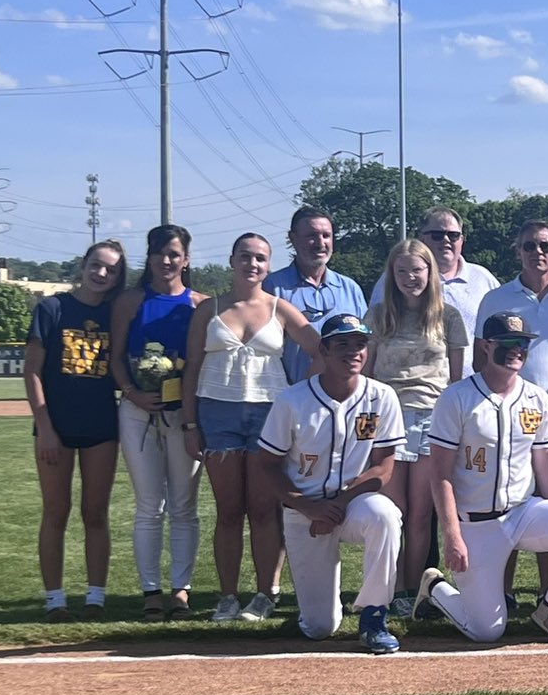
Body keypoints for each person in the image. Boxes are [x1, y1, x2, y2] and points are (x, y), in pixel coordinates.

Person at [412, 311, 548, 645]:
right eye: (508, 342)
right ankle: (436, 588)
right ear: (486, 346)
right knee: (487, 630)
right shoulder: (456, 397)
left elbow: (546, 465)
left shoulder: (536, 397)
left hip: (523, 512)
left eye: (523, 343)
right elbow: (439, 473)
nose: (517, 349)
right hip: (476, 523)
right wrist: (452, 536)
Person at [180, 233, 321, 623]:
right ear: (232, 260)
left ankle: (264, 594)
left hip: (268, 417)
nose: (252, 264)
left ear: (268, 265)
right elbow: (191, 369)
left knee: (263, 510)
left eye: (260, 258)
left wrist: (300, 395)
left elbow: (322, 350)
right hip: (217, 415)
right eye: (245, 256)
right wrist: (190, 424)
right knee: (228, 511)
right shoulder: (207, 309)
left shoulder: (280, 308)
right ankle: (227, 596)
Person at [250, 312, 405, 654]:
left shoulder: (382, 396)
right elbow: (267, 465)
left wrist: (336, 507)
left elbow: (383, 468)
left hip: (353, 503)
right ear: (323, 350)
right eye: (342, 344)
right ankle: (314, 611)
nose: (353, 351)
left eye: (360, 343)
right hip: (303, 510)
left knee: (385, 515)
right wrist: (309, 507)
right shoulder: (292, 400)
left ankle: (374, 615)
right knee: (320, 627)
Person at [476, 219, 548, 612]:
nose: (537, 252)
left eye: (544, 246)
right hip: (504, 416)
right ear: (517, 251)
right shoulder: (495, 299)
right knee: (505, 504)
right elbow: (480, 359)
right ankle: (501, 593)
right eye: (529, 246)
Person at [364, 237, 469, 617]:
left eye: (418, 270)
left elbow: (456, 380)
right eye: (402, 271)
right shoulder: (378, 316)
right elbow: (366, 375)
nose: (411, 277)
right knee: (393, 513)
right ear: (392, 275)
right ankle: (389, 590)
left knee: (422, 515)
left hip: (432, 419)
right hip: (388, 419)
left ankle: (412, 592)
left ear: (431, 272)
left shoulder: (449, 317)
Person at [108, 224, 207, 620]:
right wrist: (132, 392)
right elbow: (116, 357)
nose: (166, 260)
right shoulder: (131, 301)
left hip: (185, 415)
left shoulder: (200, 304)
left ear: (186, 259)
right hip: (138, 412)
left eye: (174, 254)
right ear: (148, 258)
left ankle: (181, 590)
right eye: (159, 253)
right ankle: (150, 590)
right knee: (150, 505)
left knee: (184, 506)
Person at [23, 239, 126, 620]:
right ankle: (55, 599)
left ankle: (96, 597)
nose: (101, 273)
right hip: (56, 426)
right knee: (56, 511)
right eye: (96, 265)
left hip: (100, 425)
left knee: (95, 512)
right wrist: (45, 427)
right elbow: (32, 371)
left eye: (111, 269)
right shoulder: (52, 308)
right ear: (83, 265)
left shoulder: (115, 314)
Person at [265, 205, 368, 386]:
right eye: (312, 236)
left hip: (344, 394)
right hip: (290, 395)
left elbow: (365, 346)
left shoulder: (350, 289)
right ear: (292, 239)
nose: (320, 243)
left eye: (326, 236)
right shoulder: (273, 288)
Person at [373, 206, 497, 345]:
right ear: (422, 239)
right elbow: (376, 330)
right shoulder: (396, 279)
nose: (446, 240)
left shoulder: (483, 279)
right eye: (437, 235)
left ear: (462, 240)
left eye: (453, 235)